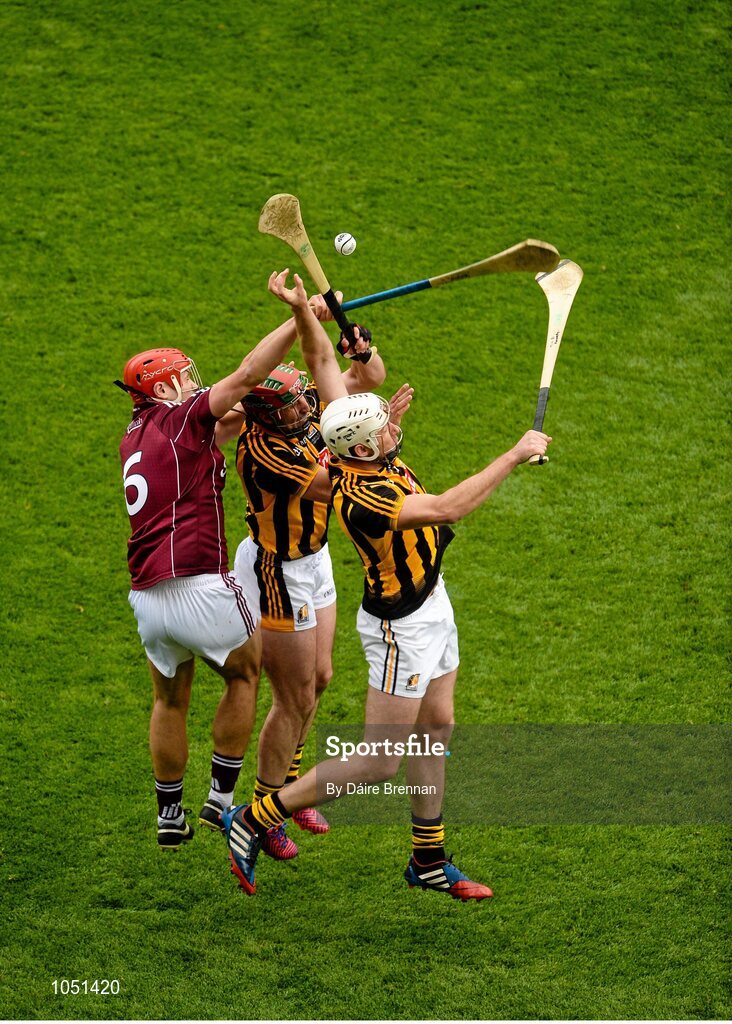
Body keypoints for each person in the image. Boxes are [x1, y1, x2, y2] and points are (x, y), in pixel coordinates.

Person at [221, 271, 551, 898]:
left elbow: (324, 363)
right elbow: (449, 507)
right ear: (368, 447)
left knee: (439, 726)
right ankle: (255, 816)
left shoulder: (360, 451)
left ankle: (427, 858)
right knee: (378, 760)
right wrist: (513, 455)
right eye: (386, 428)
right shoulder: (365, 494)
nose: (396, 427)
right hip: (401, 625)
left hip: (434, 601)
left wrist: (309, 315)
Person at [117, 271, 316, 849]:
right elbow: (248, 374)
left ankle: (169, 814)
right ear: (162, 388)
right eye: (183, 377)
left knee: (168, 699)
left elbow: (227, 421)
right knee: (244, 674)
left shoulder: (138, 436)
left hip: (147, 599)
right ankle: (221, 802)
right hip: (201, 586)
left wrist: (264, 403)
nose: (192, 383)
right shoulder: (182, 417)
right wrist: (301, 316)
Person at [211, 306, 388, 860]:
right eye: (293, 406)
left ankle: (289, 786)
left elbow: (367, 380)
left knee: (322, 677)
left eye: (303, 400)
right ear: (266, 415)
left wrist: (361, 349)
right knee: (294, 697)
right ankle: (265, 812)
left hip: (315, 560)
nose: (306, 409)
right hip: (276, 570)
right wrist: (378, 444)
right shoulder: (265, 450)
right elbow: (332, 485)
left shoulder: (296, 406)